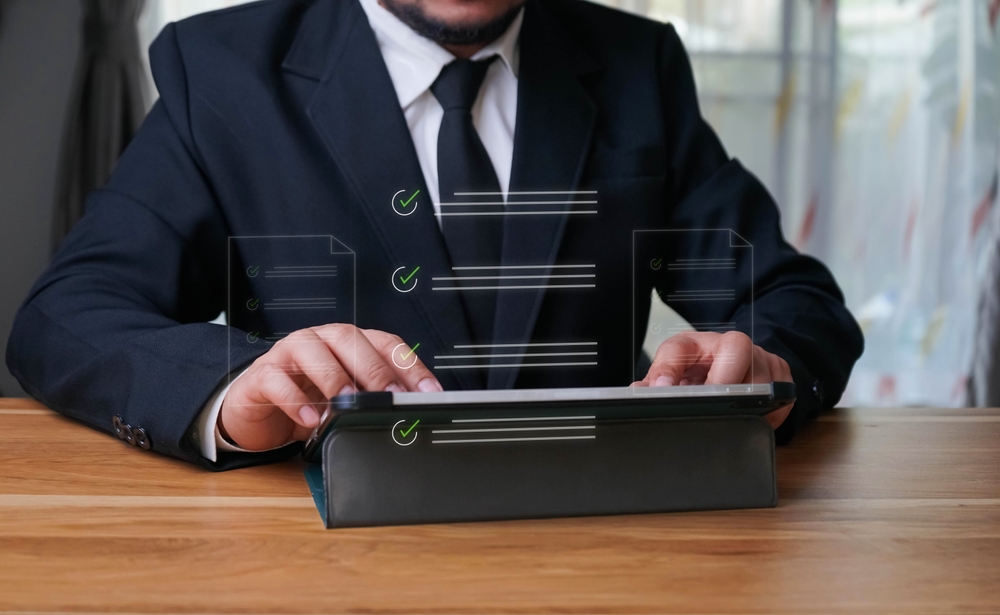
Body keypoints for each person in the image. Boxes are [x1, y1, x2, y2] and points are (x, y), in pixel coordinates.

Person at [6, 0, 863, 470]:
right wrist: (232, 389)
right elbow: (67, 313)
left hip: (599, 553)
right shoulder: (219, 71)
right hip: (321, 562)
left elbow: (796, 300)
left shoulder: (640, 64)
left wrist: (767, 363)